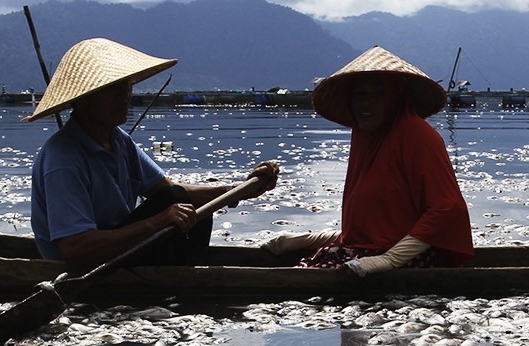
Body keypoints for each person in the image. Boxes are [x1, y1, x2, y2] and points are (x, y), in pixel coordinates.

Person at [29, 38, 280, 274]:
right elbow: (75, 250)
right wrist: (157, 222)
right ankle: (176, 282)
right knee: (175, 203)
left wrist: (239, 189)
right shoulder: (63, 159)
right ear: (83, 101)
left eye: (126, 87)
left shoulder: (118, 140)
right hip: (85, 266)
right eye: (113, 89)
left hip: (119, 251)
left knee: (181, 201)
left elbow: (167, 189)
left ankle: (179, 277)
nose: (125, 96)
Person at [264, 46, 472, 276]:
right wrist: (308, 240)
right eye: (359, 95)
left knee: (308, 281)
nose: (365, 104)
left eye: (376, 96)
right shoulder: (366, 135)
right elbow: (375, 226)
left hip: (411, 258)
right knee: (305, 270)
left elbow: (447, 209)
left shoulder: (418, 136)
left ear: (393, 98)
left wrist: (389, 259)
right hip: (368, 249)